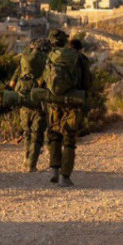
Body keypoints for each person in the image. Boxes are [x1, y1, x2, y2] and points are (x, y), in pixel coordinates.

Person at [42, 29, 93, 187]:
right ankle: (65, 176)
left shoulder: (52, 56)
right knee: (69, 140)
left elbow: (43, 80)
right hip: (72, 102)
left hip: (55, 101)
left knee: (55, 135)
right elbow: (87, 83)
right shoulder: (80, 59)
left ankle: (54, 170)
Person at [10, 38, 49, 173]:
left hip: (24, 98)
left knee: (27, 132)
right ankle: (31, 165)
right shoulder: (47, 59)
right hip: (39, 101)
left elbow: (13, 81)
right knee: (37, 134)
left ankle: (26, 160)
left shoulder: (24, 58)